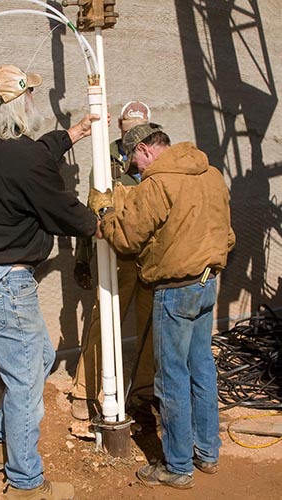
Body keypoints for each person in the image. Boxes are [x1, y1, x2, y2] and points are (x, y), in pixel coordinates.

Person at [0, 64, 100, 500]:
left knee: (36, 356)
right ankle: (25, 483)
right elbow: (64, 211)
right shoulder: (25, 158)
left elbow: (30, 157)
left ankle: (0, 441)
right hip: (7, 283)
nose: (35, 101)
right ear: (20, 103)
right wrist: (102, 222)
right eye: (31, 96)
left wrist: (71, 134)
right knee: (25, 381)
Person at [89, 123, 236, 489]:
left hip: (174, 290)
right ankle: (208, 452)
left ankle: (177, 466)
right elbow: (227, 235)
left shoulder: (158, 184)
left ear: (144, 151)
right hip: (206, 283)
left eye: (134, 163)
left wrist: (106, 214)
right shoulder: (211, 173)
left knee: (170, 378)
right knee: (201, 370)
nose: (136, 170)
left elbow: (126, 239)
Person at [71, 102, 155, 421]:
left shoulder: (155, 158)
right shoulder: (106, 160)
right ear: (119, 127)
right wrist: (83, 259)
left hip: (149, 256)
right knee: (103, 323)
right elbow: (93, 210)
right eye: (129, 128)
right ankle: (85, 392)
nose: (134, 135)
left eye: (140, 129)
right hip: (117, 257)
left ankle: (144, 392)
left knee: (149, 326)